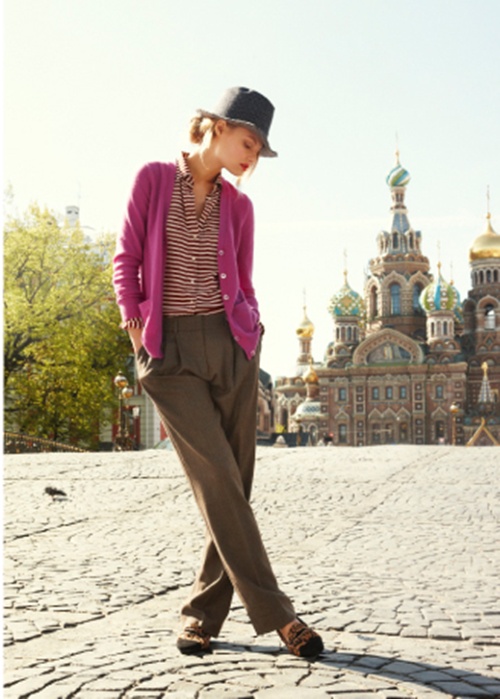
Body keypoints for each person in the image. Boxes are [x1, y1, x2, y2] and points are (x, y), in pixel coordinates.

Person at [113, 87, 324, 658]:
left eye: (258, 150)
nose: (252, 157)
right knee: (217, 479)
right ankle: (281, 618)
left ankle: (201, 618)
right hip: (169, 353)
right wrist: (133, 322)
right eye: (248, 143)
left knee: (231, 486)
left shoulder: (240, 208)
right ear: (217, 126)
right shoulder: (154, 179)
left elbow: (244, 282)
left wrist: (251, 331)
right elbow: (126, 257)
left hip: (232, 348)